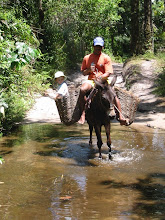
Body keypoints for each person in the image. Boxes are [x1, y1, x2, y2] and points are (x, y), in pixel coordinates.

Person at [78, 36, 128, 125]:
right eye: (97, 46)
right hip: (91, 80)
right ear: (93, 46)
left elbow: (108, 73)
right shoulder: (87, 58)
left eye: (100, 47)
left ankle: (120, 116)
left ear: (103, 47)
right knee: (82, 89)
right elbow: (83, 73)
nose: (98, 48)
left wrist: (101, 78)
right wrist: (89, 70)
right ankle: (83, 113)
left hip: (103, 81)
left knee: (113, 94)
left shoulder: (106, 58)